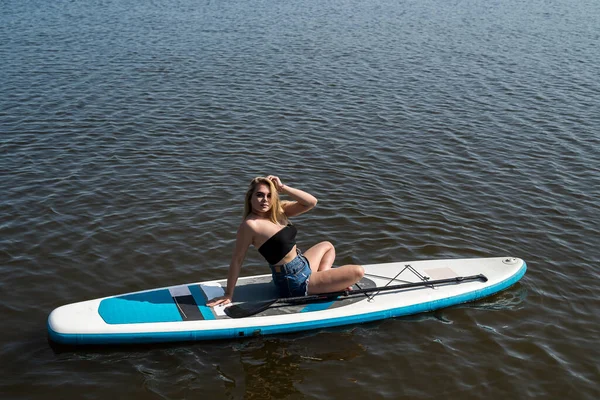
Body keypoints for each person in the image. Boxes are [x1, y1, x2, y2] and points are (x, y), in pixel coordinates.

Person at [206, 175, 364, 307]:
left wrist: (282, 187)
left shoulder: (278, 211)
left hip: (302, 264)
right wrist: (228, 294)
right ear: (250, 197)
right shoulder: (250, 225)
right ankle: (323, 284)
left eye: (269, 195)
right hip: (295, 281)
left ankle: (323, 279)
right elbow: (237, 260)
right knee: (358, 272)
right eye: (259, 195)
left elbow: (311, 202)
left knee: (327, 246)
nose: (265, 200)